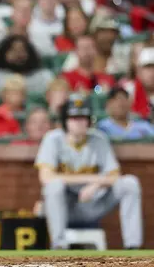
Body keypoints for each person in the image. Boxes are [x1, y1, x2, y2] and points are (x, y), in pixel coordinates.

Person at [35, 94, 143, 250]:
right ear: (65, 120)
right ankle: (58, 245)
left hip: (92, 203)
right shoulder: (53, 139)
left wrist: (96, 184)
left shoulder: (99, 139)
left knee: (130, 183)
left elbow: (114, 175)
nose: (79, 122)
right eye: (74, 118)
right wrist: (94, 178)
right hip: (65, 206)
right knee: (54, 186)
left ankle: (132, 245)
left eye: (83, 117)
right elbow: (46, 177)